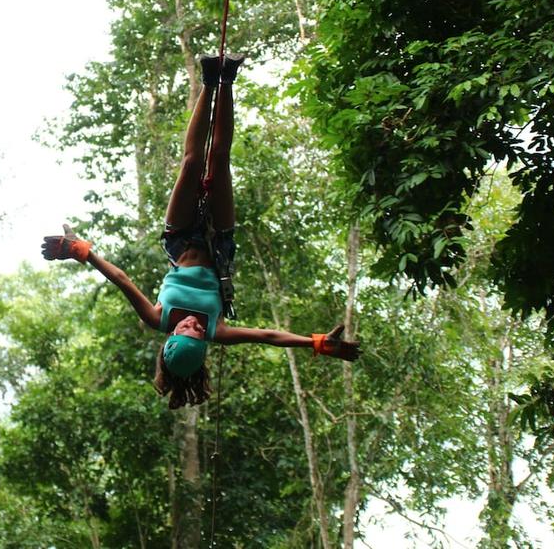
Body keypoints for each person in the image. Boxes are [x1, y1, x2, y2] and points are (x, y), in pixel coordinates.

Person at [42, 53, 360, 409]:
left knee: (192, 162)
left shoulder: (158, 317)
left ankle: (209, 78)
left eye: (186, 330)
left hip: (179, 240)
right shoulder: (217, 331)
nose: (193, 324)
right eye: (197, 332)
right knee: (219, 159)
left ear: (171, 337)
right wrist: (315, 343)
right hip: (218, 244)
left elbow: (121, 279)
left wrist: (81, 251)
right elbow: (269, 336)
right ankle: (227, 80)